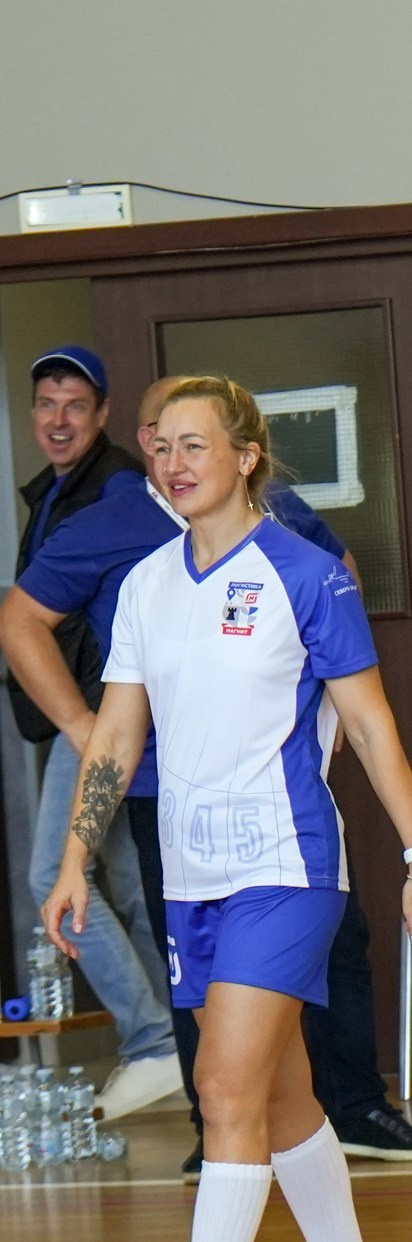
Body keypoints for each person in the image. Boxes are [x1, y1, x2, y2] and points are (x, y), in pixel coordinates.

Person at [41, 375, 412, 1242]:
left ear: (246, 456)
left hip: (287, 866)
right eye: (163, 448)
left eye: (195, 445)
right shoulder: (143, 587)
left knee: (221, 1087)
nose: (175, 464)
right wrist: (73, 861)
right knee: (278, 1096)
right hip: (193, 879)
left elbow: (368, 726)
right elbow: (118, 737)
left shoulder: (308, 574)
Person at [3, 345, 174, 1121]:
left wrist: (80, 722)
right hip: (89, 723)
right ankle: (174, 1043)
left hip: (107, 723)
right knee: (137, 888)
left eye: (76, 403)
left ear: (105, 415)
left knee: (55, 877)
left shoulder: (116, 492)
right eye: (46, 403)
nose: (59, 418)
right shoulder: (58, 492)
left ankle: (155, 1043)